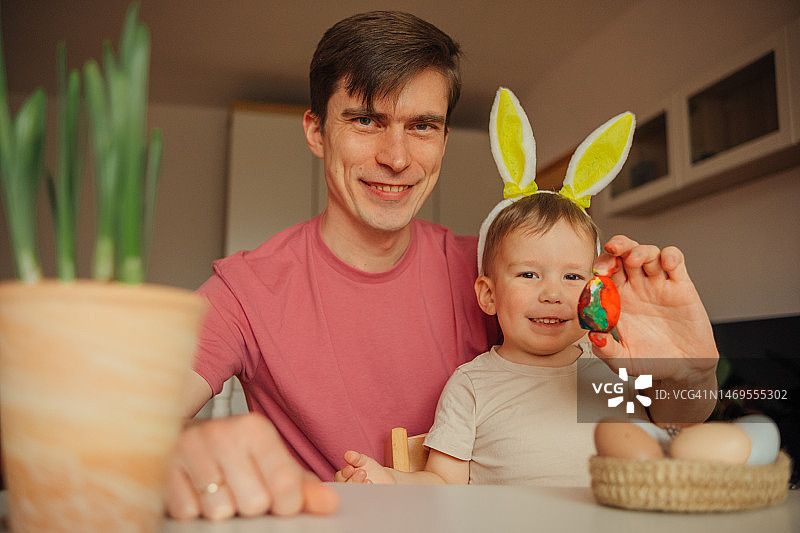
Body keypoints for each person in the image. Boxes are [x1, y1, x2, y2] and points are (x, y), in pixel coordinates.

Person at [165, 12, 718, 521]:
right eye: (365, 120)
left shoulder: (507, 274)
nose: (398, 157)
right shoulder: (245, 291)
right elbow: (119, 426)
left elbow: (659, 417)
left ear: (445, 139)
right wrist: (175, 445)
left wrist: (684, 378)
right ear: (316, 130)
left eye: (423, 126)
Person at [335, 192, 715, 485]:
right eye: (529, 275)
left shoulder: (614, 365)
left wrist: (694, 376)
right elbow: (442, 485)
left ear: (597, 290)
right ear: (488, 294)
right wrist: (388, 480)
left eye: (571, 277)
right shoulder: (473, 385)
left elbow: (680, 420)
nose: (553, 294)